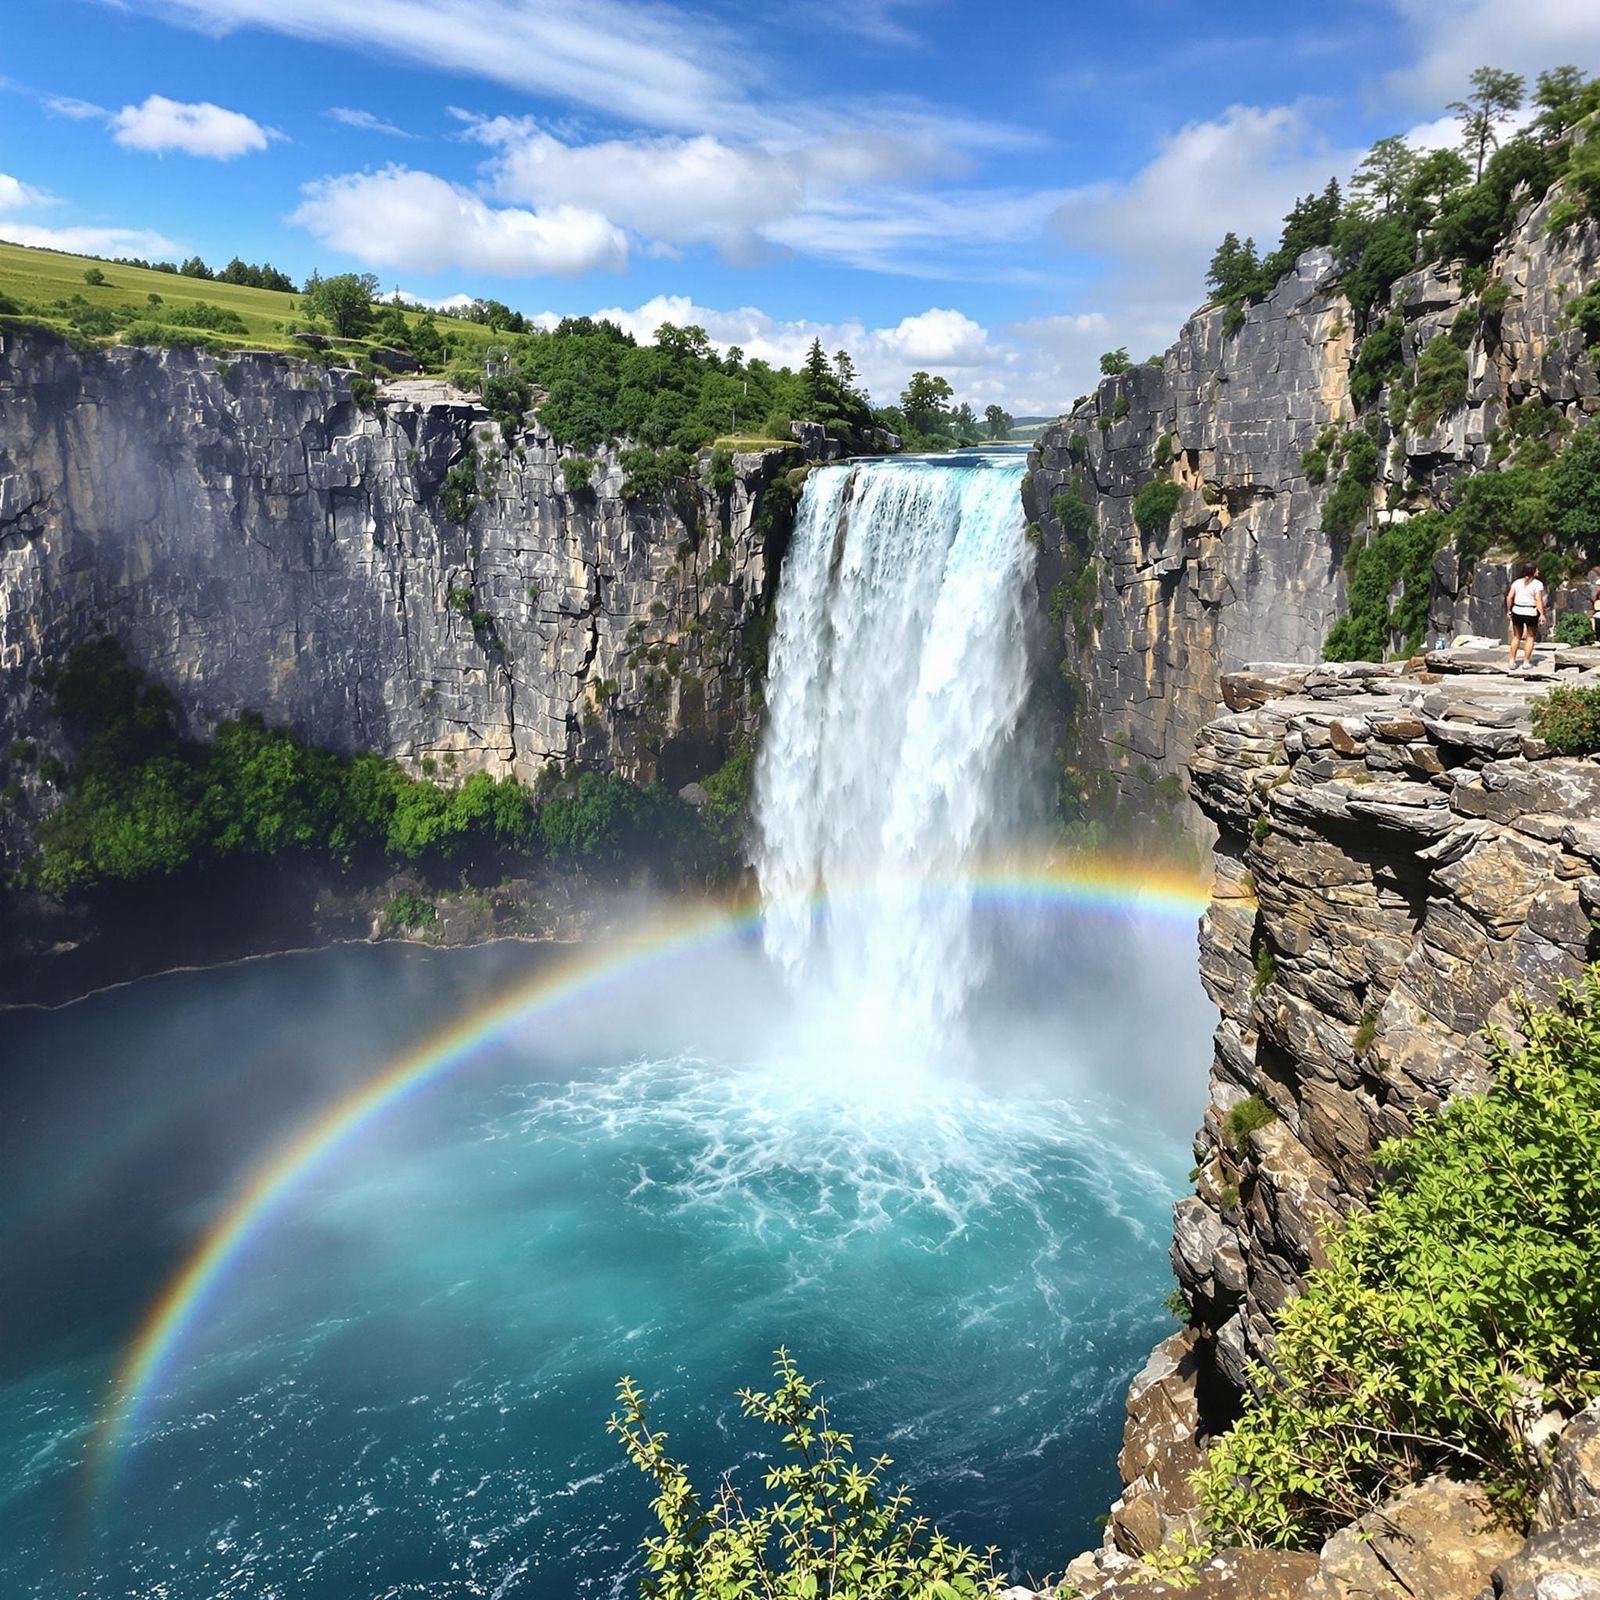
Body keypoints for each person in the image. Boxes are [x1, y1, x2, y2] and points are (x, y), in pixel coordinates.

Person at [1506, 562, 1546, 669]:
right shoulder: (1537, 584)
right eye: (1537, 570)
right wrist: (1541, 614)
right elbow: (1538, 600)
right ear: (1532, 571)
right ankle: (1526, 662)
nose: (1538, 571)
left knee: (1516, 636)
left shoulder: (1517, 582)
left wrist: (1509, 610)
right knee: (1530, 637)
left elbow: (1509, 597)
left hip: (1517, 611)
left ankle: (1512, 661)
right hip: (1530, 612)